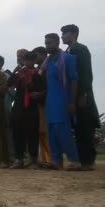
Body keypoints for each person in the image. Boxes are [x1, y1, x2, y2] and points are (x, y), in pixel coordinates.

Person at [61, 24, 101, 171]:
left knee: (85, 127)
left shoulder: (80, 49)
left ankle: (88, 162)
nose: (62, 36)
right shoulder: (68, 51)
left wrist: (83, 93)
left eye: (65, 33)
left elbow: (85, 73)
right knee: (78, 129)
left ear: (74, 34)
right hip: (72, 94)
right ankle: (82, 160)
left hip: (82, 94)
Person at [40, 33, 81, 171]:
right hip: (51, 101)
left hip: (64, 99)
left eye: (49, 43)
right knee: (51, 130)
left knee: (63, 130)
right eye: (46, 43)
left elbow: (74, 80)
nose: (47, 46)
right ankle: (56, 161)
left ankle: (74, 160)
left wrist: (72, 102)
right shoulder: (47, 61)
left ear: (57, 42)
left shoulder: (68, 58)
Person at [9, 52, 45, 169]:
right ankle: (19, 159)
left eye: (29, 60)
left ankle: (34, 160)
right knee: (17, 133)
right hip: (18, 107)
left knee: (32, 135)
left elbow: (38, 91)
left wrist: (26, 80)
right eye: (24, 60)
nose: (26, 63)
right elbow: (9, 83)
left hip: (31, 108)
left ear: (34, 61)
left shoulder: (37, 74)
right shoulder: (18, 73)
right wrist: (16, 73)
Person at [32, 46, 53, 168]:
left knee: (46, 131)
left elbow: (50, 84)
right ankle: (45, 159)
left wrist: (41, 93)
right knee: (40, 131)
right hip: (38, 103)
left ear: (43, 55)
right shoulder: (38, 69)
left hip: (47, 102)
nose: (35, 58)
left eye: (36, 55)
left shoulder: (48, 67)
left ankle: (51, 159)